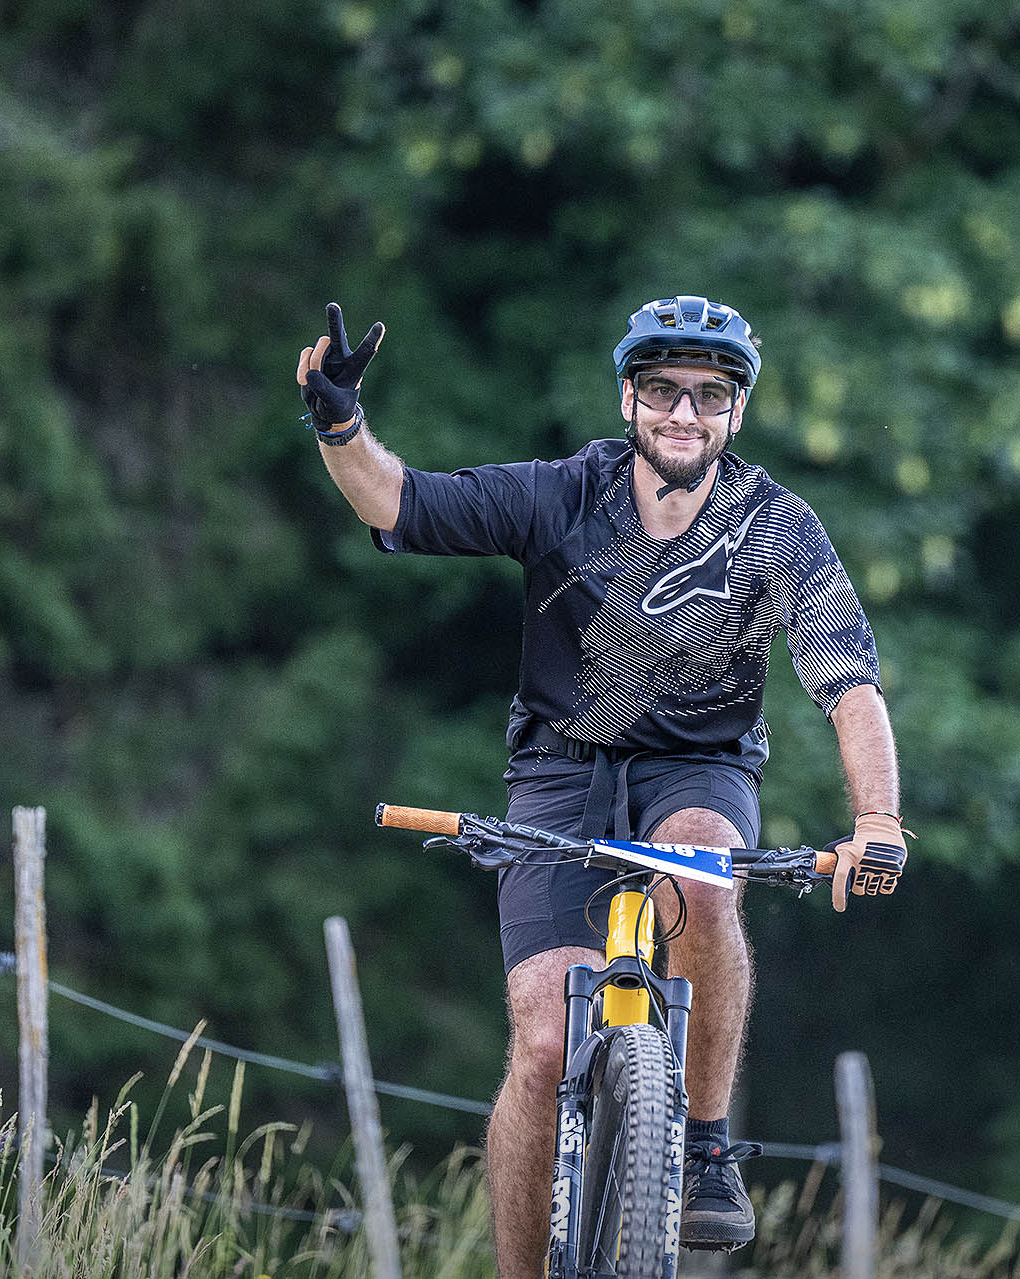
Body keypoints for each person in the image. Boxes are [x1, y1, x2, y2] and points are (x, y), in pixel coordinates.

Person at [295, 294, 908, 1275]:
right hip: (559, 766)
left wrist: (877, 819)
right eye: (663, 389)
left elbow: (851, 685)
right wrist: (339, 422)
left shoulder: (779, 529)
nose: (684, 412)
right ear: (628, 398)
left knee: (704, 874)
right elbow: (398, 501)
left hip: (700, 766)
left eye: (710, 394)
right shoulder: (561, 495)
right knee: (543, 1045)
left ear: (736, 412)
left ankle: (703, 1145)